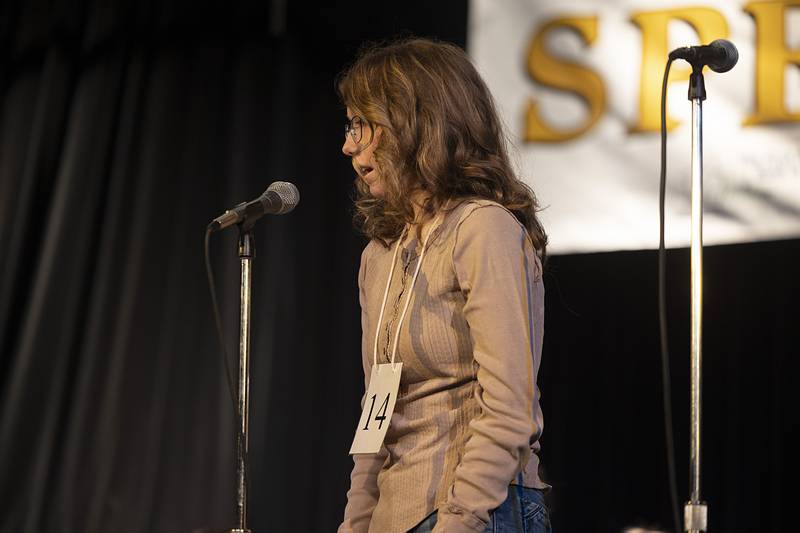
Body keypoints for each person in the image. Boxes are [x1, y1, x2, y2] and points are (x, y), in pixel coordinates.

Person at [337, 37, 551, 533]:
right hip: (397, 516)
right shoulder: (379, 254)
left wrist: (461, 519)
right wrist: (356, 522)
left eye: (361, 125)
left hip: (481, 511)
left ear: (415, 123)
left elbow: (508, 407)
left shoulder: (482, 228)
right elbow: (377, 415)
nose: (348, 145)